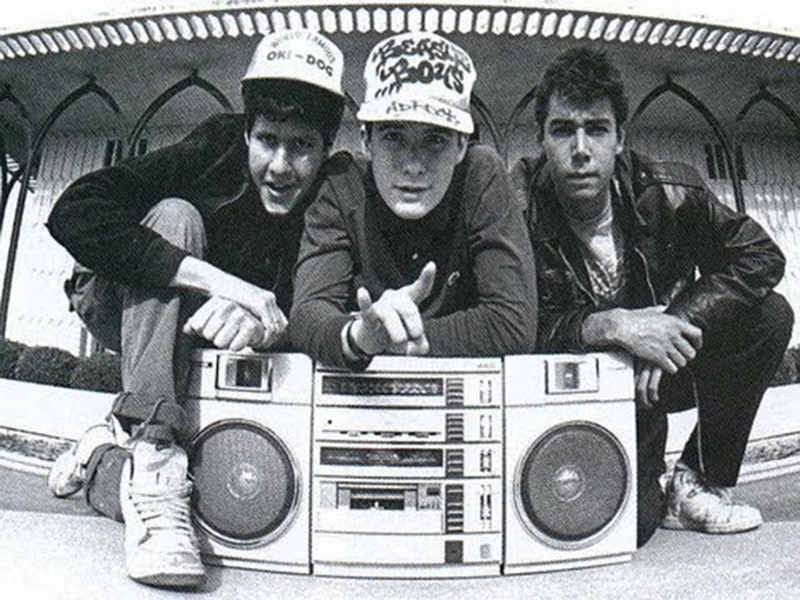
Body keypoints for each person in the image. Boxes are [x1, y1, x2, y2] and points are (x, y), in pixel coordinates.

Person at [45, 29, 347, 588]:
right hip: (116, 297)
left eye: (302, 146)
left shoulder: (332, 196)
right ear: (246, 133)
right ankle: (155, 454)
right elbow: (74, 210)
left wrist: (267, 324)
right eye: (267, 140)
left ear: (327, 147)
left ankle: (104, 460)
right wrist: (225, 284)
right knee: (176, 215)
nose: (280, 166)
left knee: (213, 498)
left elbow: (316, 311)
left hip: (205, 324)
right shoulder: (216, 147)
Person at [512, 47, 793, 547]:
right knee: (632, 526)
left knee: (769, 315)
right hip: (567, 387)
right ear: (540, 139)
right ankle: (646, 484)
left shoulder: (667, 189)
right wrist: (612, 325)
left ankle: (697, 480)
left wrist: (673, 323)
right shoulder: (515, 209)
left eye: (597, 129)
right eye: (563, 130)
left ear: (620, 137)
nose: (581, 149)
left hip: (654, 377)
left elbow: (761, 256)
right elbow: (505, 324)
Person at [290, 31, 537, 367]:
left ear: (461, 146)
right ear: (366, 140)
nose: (413, 165)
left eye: (435, 140)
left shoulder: (481, 174)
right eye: (394, 137)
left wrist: (396, 338)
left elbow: (513, 324)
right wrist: (359, 336)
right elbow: (308, 312)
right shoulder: (342, 182)